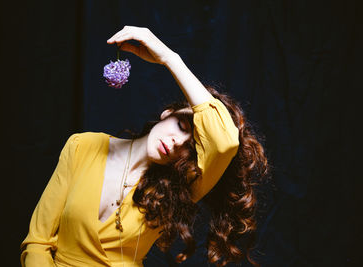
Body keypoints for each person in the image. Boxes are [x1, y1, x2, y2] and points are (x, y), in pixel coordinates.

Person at [20, 26, 269, 267]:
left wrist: (169, 58)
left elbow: (225, 141)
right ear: (167, 113)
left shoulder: (182, 186)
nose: (176, 143)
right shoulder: (82, 145)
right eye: (182, 126)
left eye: (190, 148)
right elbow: (37, 242)